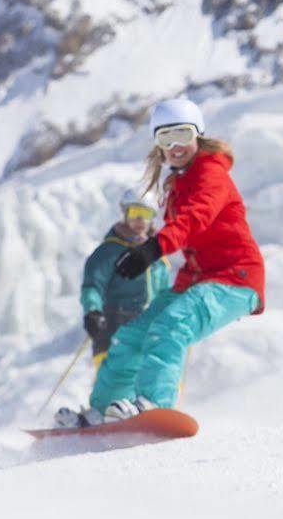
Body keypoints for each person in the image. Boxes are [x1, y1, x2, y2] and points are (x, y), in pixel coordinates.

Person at [55, 99, 265, 427]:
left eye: (182, 134)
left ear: (199, 134)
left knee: (171, 326)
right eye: (166, 138)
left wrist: (153, 249)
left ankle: (154, 403)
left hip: (234, 279)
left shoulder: (211, 174)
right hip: (197, 280)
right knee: (132, 335)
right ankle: (102, 410)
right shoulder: (177, 182)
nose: (176, 146)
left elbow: (197, 217)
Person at [79, 190, 174, 365]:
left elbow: (163, 295)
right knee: (115, 386)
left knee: (149, 385)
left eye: (145, 214)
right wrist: (92, 311)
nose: (140, 220)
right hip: (115, 328)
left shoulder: (157, 258)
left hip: (148, 332)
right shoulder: (110, 251)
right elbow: (93, 285)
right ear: (125, 215)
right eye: (135, 213)